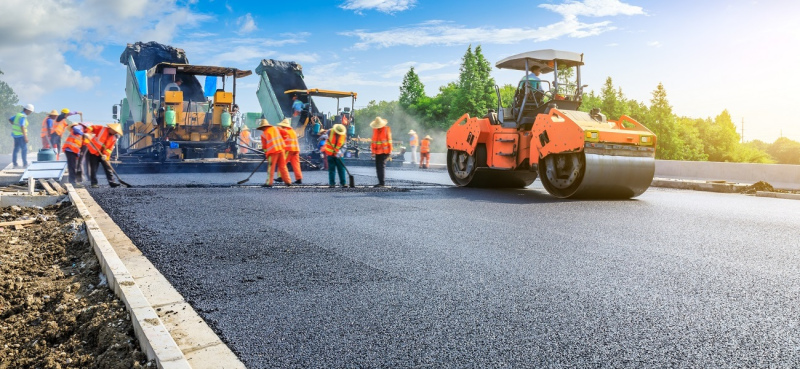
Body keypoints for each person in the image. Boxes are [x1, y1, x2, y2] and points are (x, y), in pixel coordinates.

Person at [85, 123, 122, 188]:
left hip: (103, 154)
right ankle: (94, 183)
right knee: (93, 168)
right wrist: (88, 133)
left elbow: (110, 148)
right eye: (115, 131)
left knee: (108, 168)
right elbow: (91, 127)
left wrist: (105, 155)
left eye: (116, 132)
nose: (115, 132)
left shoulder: (114, 137)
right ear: (111, 128)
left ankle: (112, 182)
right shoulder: (101, 129)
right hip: (93, 151)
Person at [256, 119, 291, 187]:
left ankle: (269, 183)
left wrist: (266, 154)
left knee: (271, 167)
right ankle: (288, 182)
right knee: (283, 167)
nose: (262, 130)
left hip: (273, 152)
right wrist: (281, 140)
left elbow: (265, 147)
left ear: (263, 127)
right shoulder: (276, 128)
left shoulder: (263, 135)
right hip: (281, 150)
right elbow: (286, 133)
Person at [278, 118, 303, 184]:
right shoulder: (293, 131)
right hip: (296, 150)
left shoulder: (285, 131)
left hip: (289, 150)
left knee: (282, 163)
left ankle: (280, 177)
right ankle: (299, 179)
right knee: (296, 165)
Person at [62, 121, 87, 187]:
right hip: (70, 149)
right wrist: (82, 133)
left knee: (74, 166)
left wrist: (79, 153)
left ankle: (75, 181)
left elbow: (79, 144)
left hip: (73, 150)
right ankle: (73, 182)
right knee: (72, 166)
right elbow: (76, 129)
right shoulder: (77, 129)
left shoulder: (80, 133)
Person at [322, 124, 347, 188]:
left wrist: (340, 151)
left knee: (341, 169)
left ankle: (343, 183)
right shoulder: (330, 131)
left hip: (339, 156)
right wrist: (324, 137)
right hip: (330, 154)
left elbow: (344, 146)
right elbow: (322, 136)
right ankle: (332, 184)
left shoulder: (343, 135)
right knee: (331, 170)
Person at [9, 104, 34, 168]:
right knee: (24, 149)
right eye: (30, 112)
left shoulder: (18, 115)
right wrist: (25, 137)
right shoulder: (23, 116)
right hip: (21, 135)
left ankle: (15, 164)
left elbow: (10, 119)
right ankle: (25, 164)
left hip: (15, 135)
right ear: (27, 110)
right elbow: (22, 126)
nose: (30, 113)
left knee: (16, 150)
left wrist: (14, 124)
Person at [370, 116, 392, 187]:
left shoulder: (386, 129)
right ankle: (380, 182)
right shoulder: (375, 130)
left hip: (384, 151)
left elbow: (389, 140)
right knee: (377, 167)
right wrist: (373, 151)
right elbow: (373, 142)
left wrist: (390, 151)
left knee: (381, 166)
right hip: (377, 152)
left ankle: (382, 183)